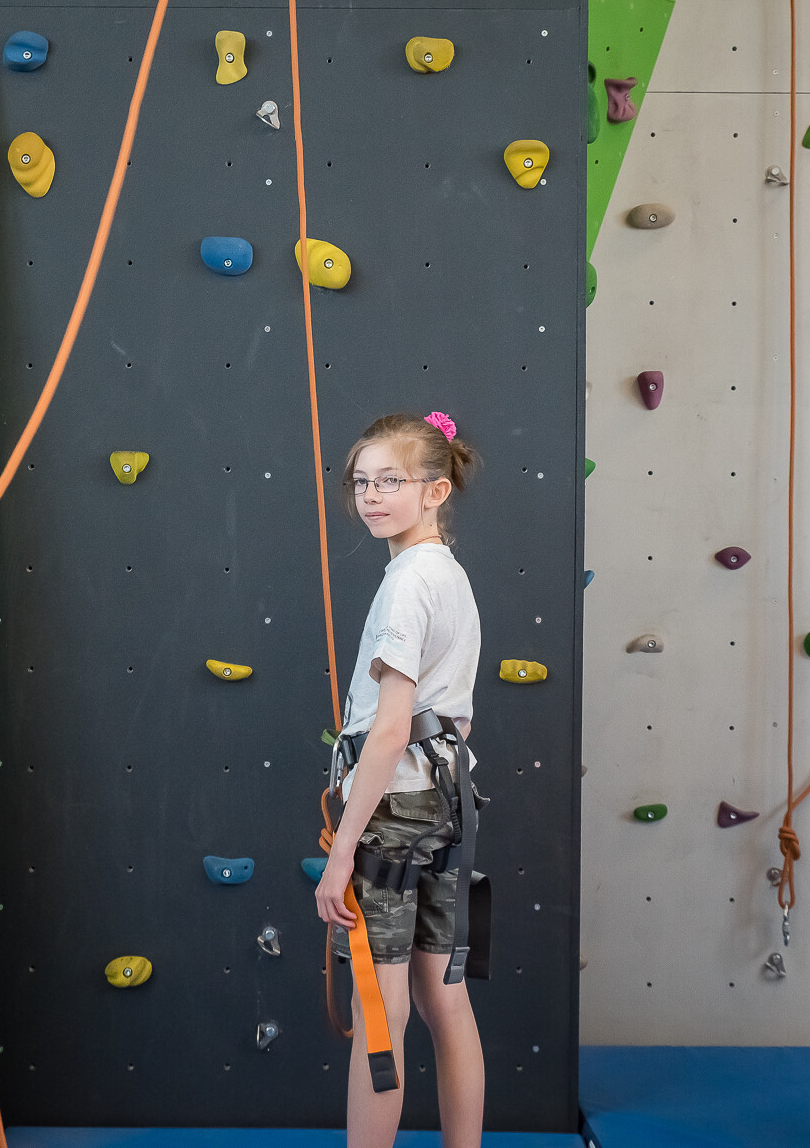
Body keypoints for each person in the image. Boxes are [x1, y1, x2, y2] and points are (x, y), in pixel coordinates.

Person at [314, 411, 486, 1148]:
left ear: (437, 490)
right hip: (448, 807)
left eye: (391, 480)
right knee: (445, 1000)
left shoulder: (405, 587)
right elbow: (457, 722)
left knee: (380, 1015)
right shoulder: (449, 576)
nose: (371, 495)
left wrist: (344, 849)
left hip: (389, 814)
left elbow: (390, 730)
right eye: (361, 482)